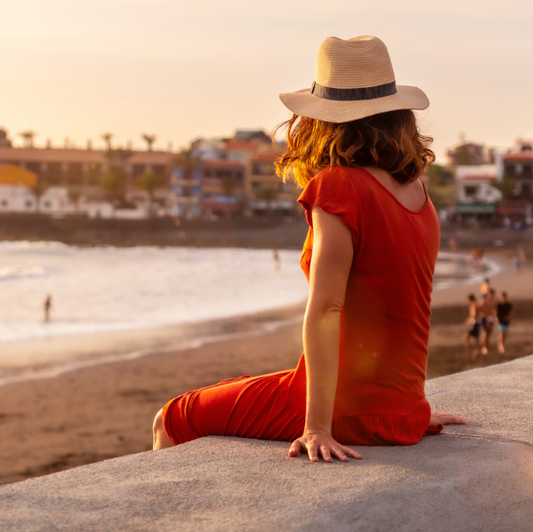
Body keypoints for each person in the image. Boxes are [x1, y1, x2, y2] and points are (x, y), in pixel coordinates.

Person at [152, 36, 466, 462]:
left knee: (172, 417)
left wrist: (316, 426)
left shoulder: (338, 186)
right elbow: (407, 307)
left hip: (345, 408)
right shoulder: (418, 195)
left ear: (322, 120)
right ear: (398, 115)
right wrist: (409, 410)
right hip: (399, 408)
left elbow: (326, 310)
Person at [480, 289, 497, 356]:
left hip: (490, 319)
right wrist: (486, 318)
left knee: (488, 334)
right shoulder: (484, 302)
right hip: (484, 319)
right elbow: (481, 311)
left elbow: (494, 311)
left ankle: (485, 347)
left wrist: (494, 318)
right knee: (485, 333)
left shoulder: (494, 302)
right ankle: (483, 347)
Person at [464, 294, 481, 359]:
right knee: (476, 339)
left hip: (475, 323)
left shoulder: (474, 305)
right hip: (475, 323)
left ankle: (470, 352)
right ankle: (478, 352)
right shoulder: (475, 305)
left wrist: (468, 320)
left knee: (467, 337)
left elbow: (474, 316)